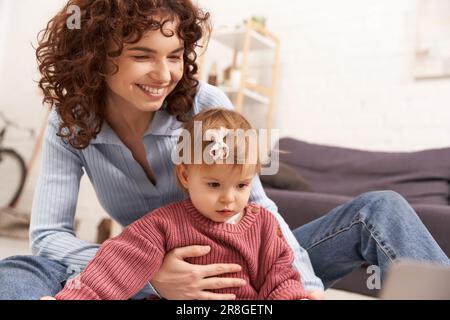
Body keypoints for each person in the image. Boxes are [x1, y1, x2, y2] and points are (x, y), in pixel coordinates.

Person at [0, 0, 448, 300]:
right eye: (142, 55)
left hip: (243, 269)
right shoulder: (71, 122)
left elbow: (259, 208)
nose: (163, 73)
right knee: (24, 265)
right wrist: (152, 276)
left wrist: (304, 286)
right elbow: (49, 235)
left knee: (380, 210)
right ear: (96, 57)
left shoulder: (202, 105)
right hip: (143, 268)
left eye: (174, 55)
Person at [51, 108, 307, 300]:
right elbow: (114, 269)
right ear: (186, 176)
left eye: (241, 185)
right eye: (214, 185)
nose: (229, 198)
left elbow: (281, 278)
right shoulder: (163, 225)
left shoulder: (263, 224)